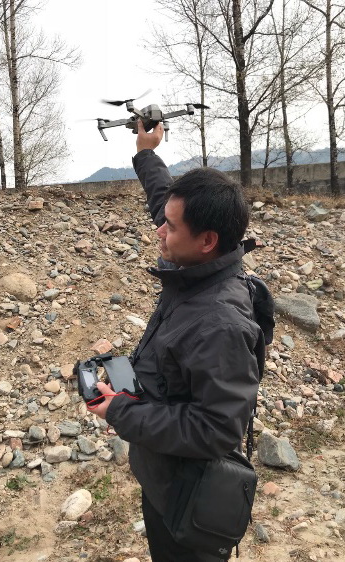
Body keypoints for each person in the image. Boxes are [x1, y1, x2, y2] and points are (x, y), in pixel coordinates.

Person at [91, 120, 265, 562]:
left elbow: (216, 429)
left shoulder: (220, 323)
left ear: (207, 240)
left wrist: (120, 411)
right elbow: (164, 204)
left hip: (189, 498)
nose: (158, 231)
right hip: (164, 474)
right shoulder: (198, 262)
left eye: (169, 227)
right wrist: (146, 152)